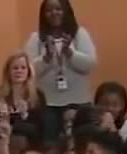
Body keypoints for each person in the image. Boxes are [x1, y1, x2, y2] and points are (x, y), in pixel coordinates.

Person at [25, 0, 97, 141]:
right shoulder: (36, 39)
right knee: (50, 144)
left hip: (78, 101)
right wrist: (46, 58)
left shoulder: (79, 34)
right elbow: (29, 72)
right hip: (48, 105)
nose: (54, 13)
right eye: (49, 10)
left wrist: (70, 53)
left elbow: (90, 65)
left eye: (58, 9)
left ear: (66, 11)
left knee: (81, 142)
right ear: (43, 15)